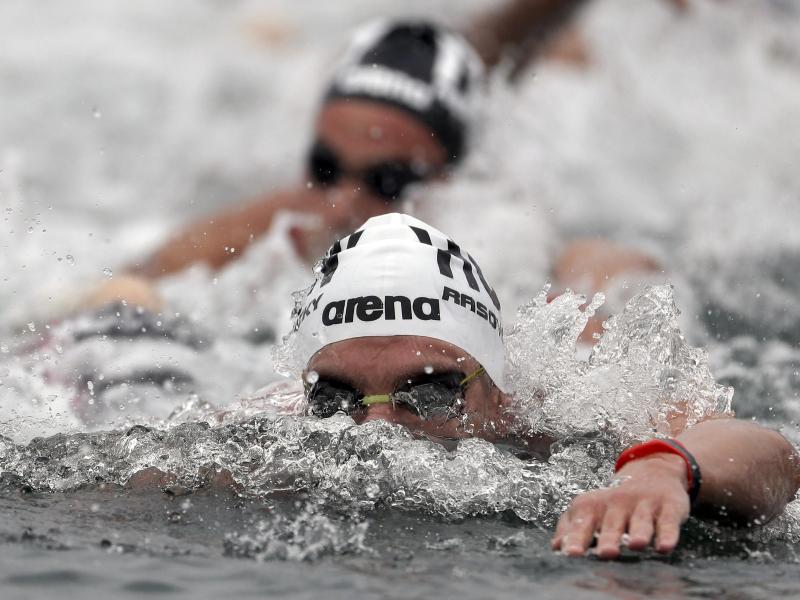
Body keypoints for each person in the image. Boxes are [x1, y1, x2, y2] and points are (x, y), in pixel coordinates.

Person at [287, 212, 800, 560]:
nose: (378, 431)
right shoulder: (282, 426)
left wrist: (661, 466)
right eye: (335, 397)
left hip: (581, 342)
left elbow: (775, 454)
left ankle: (593, 258)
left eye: (429, 392)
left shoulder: (573, 401)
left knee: (594, 299)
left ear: (496, 389)